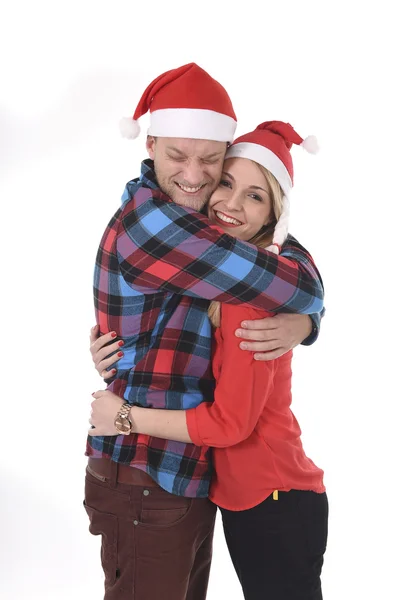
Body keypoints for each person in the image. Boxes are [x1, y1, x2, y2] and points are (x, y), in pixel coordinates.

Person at [85, 62, 325, 600]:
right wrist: (308, 310)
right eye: (176, 155)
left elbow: (280, 266)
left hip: (188, 475)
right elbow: (294, 281)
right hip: (145, 471)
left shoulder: (206, 239)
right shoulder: (155, 225)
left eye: (211, 161)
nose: (195, 176)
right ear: (149, 144)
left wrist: (305, 322)